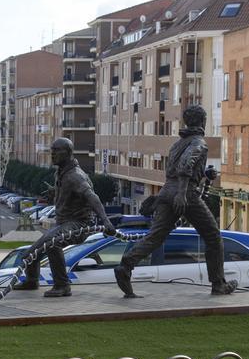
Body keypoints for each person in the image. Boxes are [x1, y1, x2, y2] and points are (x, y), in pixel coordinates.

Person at [114, 105, 237, 297]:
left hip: (166, 193)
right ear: (203, 122)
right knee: (213, 237)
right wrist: (181, 193)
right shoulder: (199, 143)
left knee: (155, 237)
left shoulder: (177, 144)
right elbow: (185, 165)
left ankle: (126, 265)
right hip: (185, 194)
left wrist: (204, 174)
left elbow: (178, 169)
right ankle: (218, 284)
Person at [12, 138, 116, 297]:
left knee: (53, 243)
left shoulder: (74, 176)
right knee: (29, 254)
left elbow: (91, 197)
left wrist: (106, 221)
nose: (52, 154)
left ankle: (62, 285)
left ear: (68, 153)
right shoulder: (62, 172)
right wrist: (55, 192)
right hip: (62, 224)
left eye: (56, 150)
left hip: (78, 225)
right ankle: (32, 281)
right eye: (51, 150)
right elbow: (71, 194)